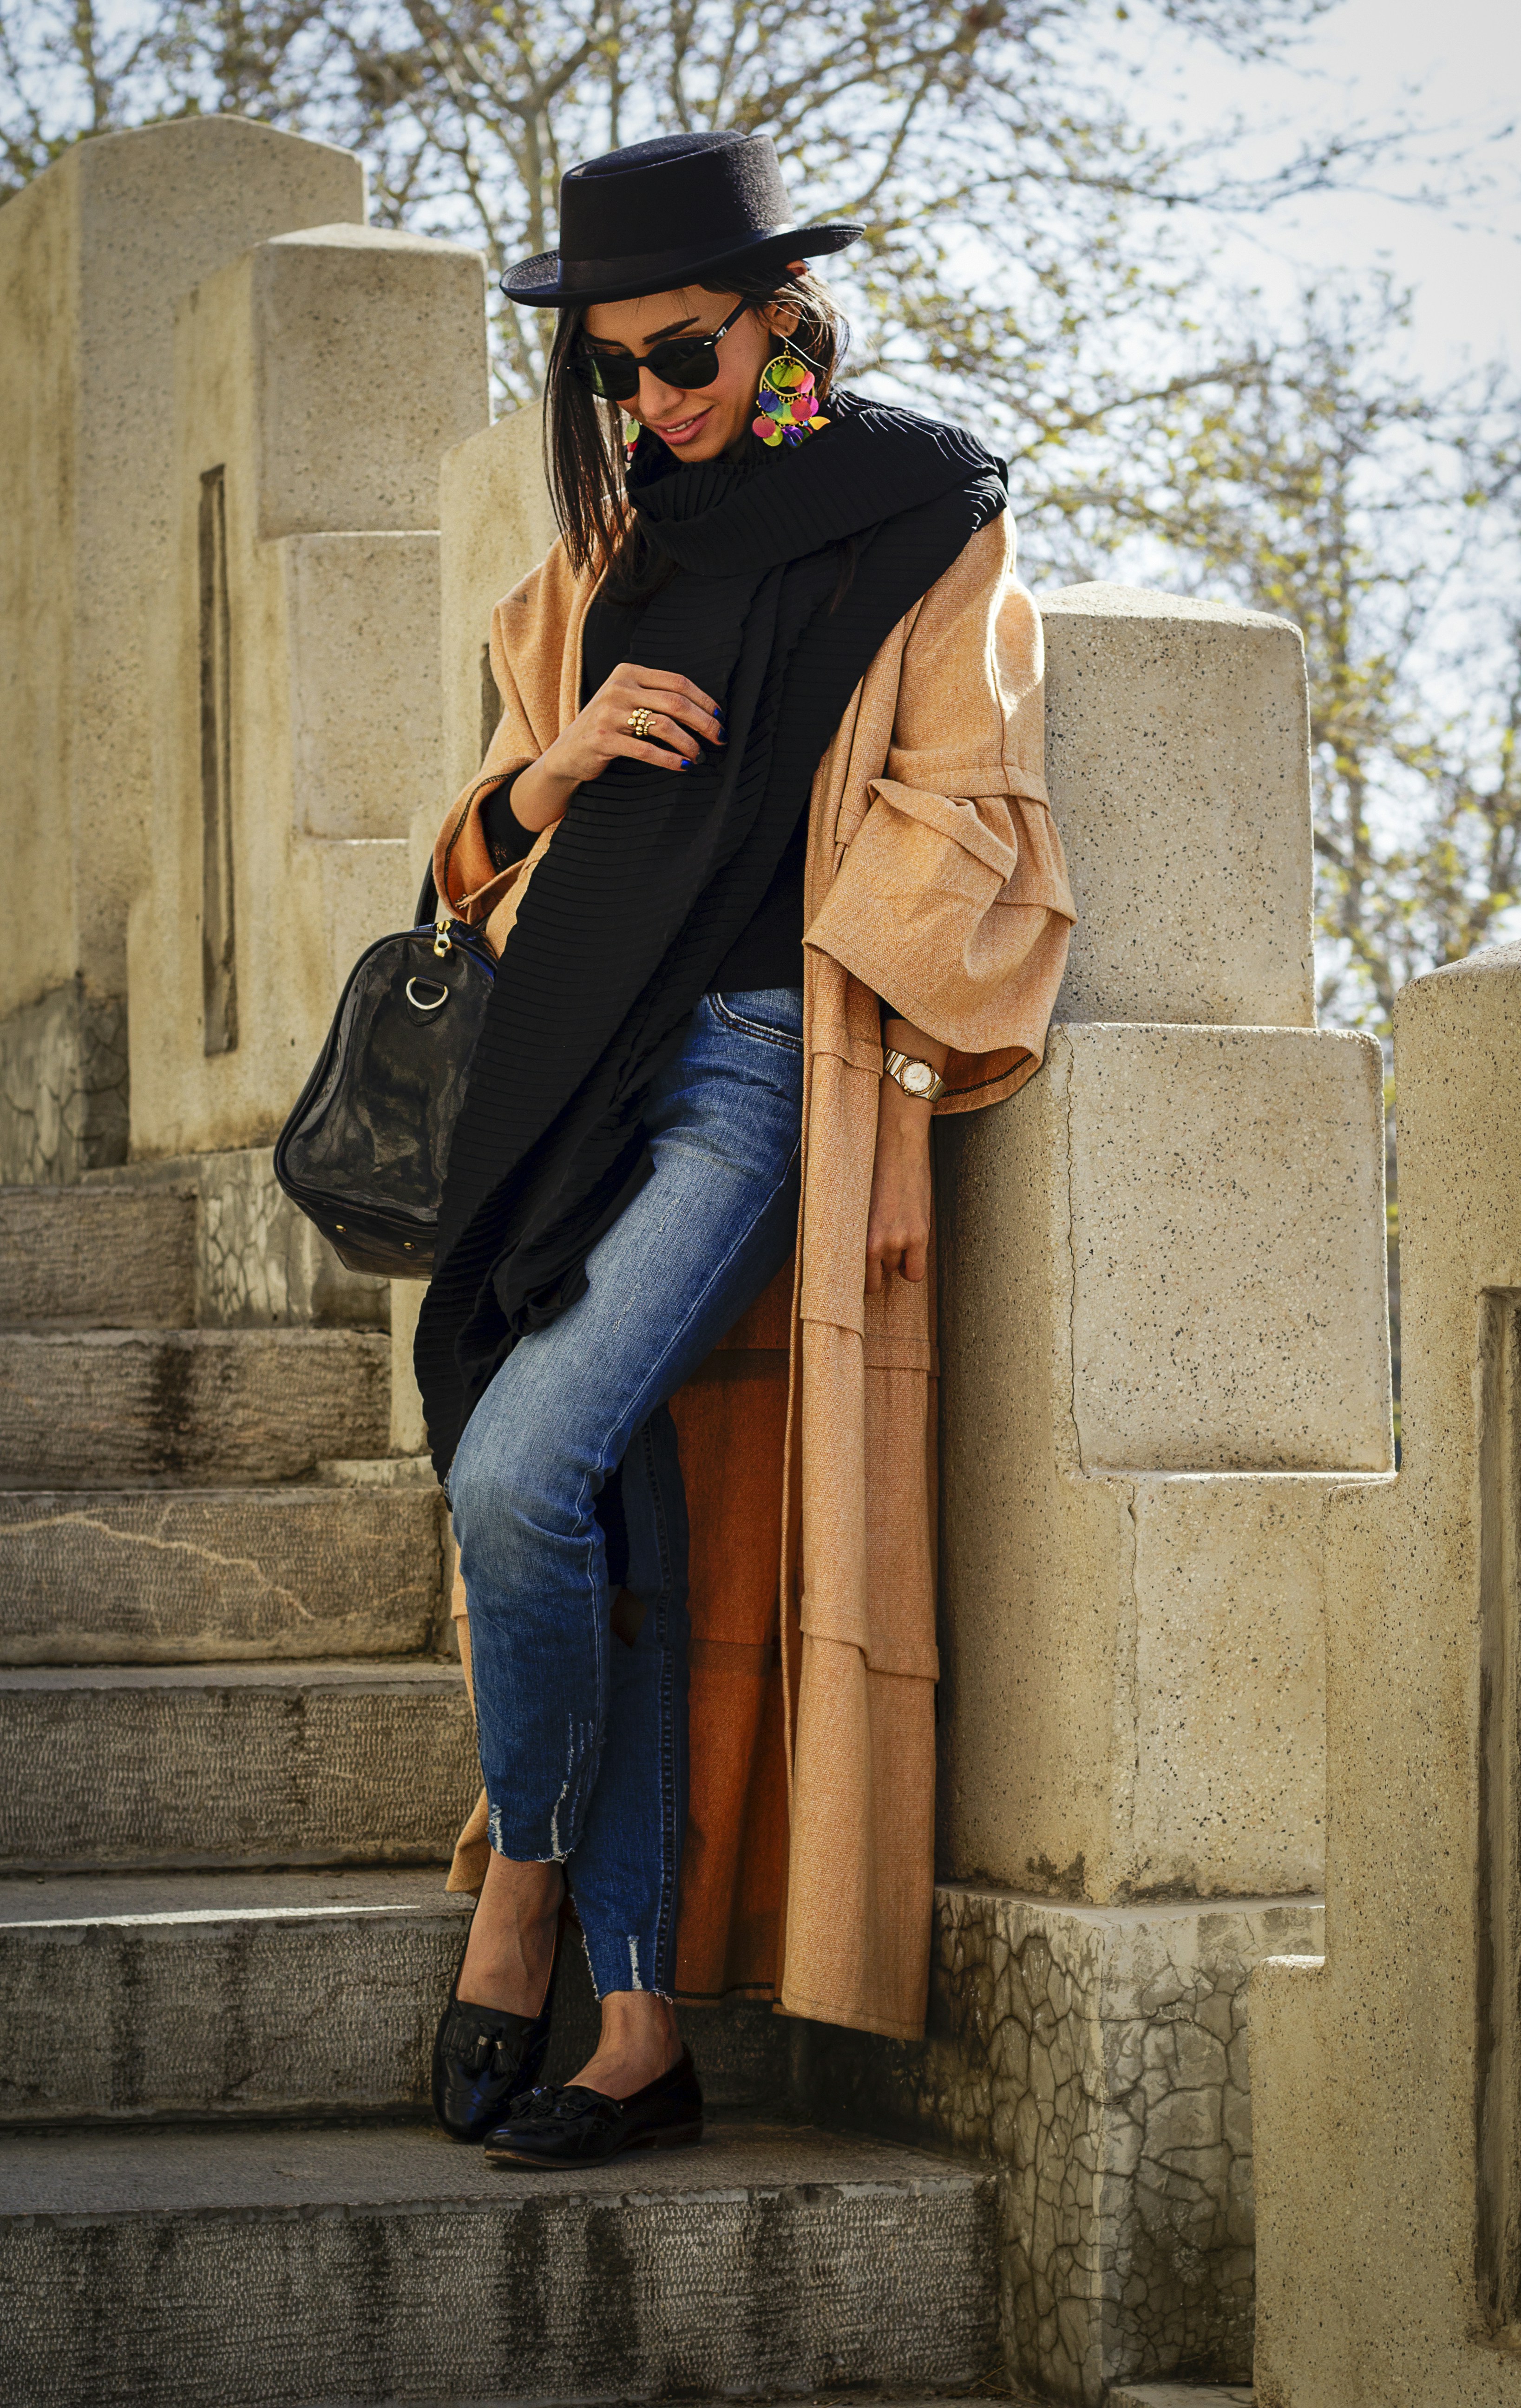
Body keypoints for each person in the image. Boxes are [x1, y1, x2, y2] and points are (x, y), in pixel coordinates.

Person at [419, 130, 1075, 2169]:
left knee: (524, 1467)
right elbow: (465, 876)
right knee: (596, 1511)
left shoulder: (926, 520)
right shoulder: (602, 567)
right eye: (614, 370)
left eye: (683, 353)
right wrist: (561, 761)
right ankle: (635, 2030)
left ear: (780, 312)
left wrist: (878, 1114)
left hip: (745, 1070)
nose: (653, 401)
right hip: (560, 1079)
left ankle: (519, 1880)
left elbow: (974, 820)